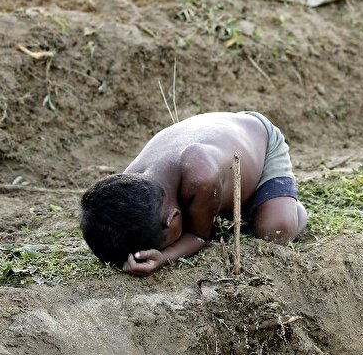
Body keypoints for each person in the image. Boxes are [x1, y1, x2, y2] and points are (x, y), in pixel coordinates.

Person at [80, 111, 308, 276]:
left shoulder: (201, 178)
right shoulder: (128, 185)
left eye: (164, 243)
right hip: (212, 136)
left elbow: (199, 237)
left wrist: (165, 258)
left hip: (259, 140)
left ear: (173, 219)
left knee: (275, 229)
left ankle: (285, 201)